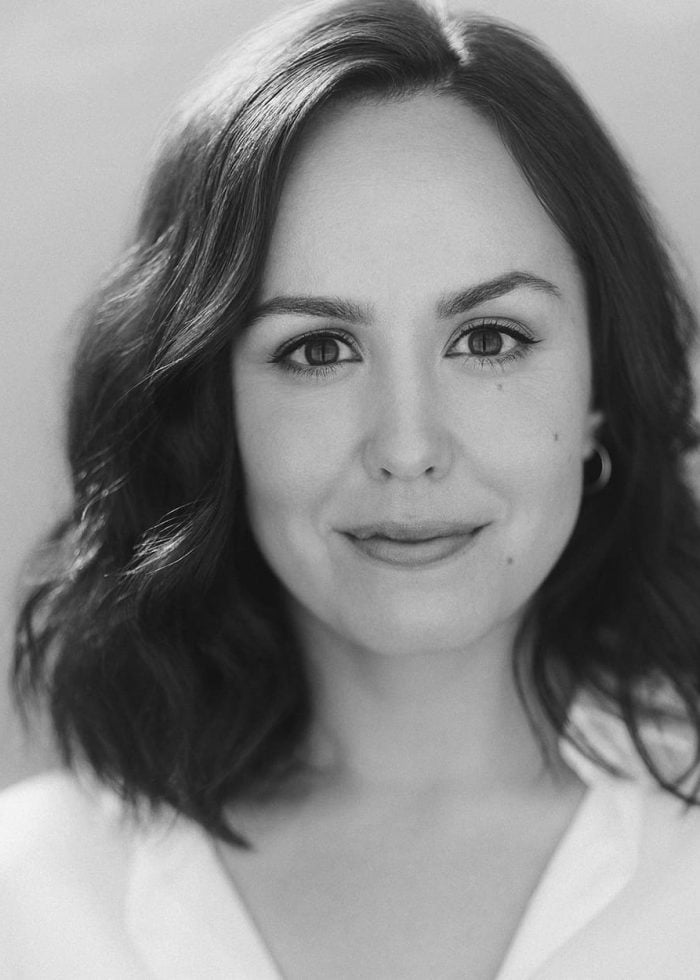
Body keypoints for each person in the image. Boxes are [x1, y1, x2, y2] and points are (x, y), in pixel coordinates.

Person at [2, 0, 700, 976]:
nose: (407, 447)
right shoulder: (32, 895)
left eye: (489, 338)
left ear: (599, 393)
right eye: (318, 349)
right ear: (212, 411)